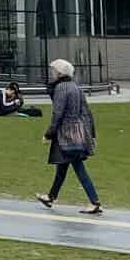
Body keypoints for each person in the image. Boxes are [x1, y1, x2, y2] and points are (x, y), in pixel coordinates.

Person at [35, 60, 102, 215]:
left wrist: (48, 134)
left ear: (60, 73)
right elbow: (87, 112)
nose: (51, 74)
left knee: (78, 167)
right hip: (79, 132)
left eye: (53, 71)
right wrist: (92, 134)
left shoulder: (61, 88)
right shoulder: (75, 86)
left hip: (66, 134)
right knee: (62, 166)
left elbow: (57, 113)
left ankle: (94, 202)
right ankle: (51, 197)